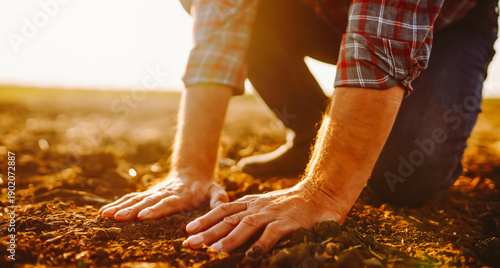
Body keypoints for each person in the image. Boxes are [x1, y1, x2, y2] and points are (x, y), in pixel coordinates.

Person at [99, 0, 498, 254]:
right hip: (320, 12)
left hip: (447, 22)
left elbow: (382, 37)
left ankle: (334, 152)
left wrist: (323, 192)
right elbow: (221, 32)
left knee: (405, 181)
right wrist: (190, 170)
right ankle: (312, 134)